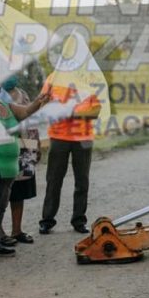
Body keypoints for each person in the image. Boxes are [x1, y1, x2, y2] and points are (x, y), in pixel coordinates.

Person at [0, 70, 48, 260]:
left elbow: (25, 112)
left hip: (8, 167)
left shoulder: (5, 105)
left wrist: (39, 100)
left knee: (0, 206)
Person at [39, 71, 102, 235]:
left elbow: (95, 111)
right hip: (58, 136)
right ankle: (47, 220)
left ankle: (79, 220)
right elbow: (42, 105)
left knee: (82, 180)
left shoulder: (88, 77)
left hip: (84, 138)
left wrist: (71, 113)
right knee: (53, 179)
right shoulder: (52, 78)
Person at [2, 75, 41, 245]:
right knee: (1, 193)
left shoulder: (23, 94)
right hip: (5, 148)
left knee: (20, 191)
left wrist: (36, 145)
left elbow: (32, 121)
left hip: (25, 147)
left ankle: (16, 230)